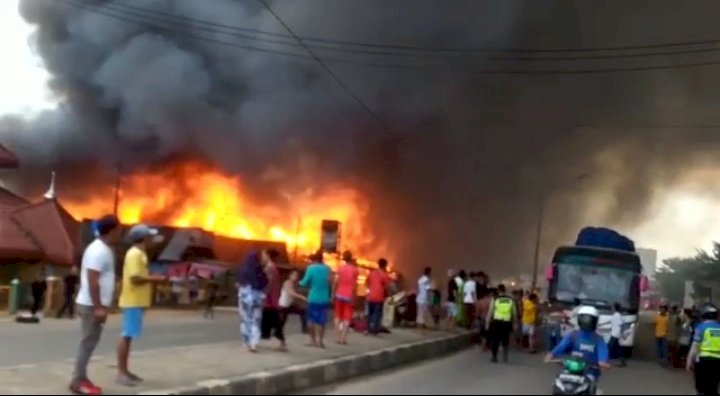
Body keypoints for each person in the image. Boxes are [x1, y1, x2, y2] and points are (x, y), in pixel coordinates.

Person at [69, 214, 121, 396]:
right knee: (87, 343)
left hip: (93, 304)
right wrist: (98, 306)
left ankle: (81, 377)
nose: (120, 233)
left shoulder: (102, 249)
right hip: (92, 306)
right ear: (112, 230)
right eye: (118, 230)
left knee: (89, 342)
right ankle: (78, 381)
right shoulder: (99, 250)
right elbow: (93, 279)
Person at [116, 224, 165, 387]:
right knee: (127, 335)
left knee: (129, 336)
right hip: (133, 301)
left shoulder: (139, 253)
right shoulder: (135, 254)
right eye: (150, 237)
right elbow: (135, 278)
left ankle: (125, 371)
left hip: (137, 301)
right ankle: (121, 373)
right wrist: (155, 278)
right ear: (144, 238)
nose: (152, 239)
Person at [544, 305, 611, 393]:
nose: (587, 321)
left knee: (590, 387)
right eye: (585, 318)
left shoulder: (593, 338)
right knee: (558, 383)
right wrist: (551, 354)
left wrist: (602, 362)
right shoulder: (576, 335)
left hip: (588, 371)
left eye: (588, 319)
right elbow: (561, 347)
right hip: (574, 369)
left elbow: (603, 355)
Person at [236, 251, 269, 353]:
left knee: (245, 320)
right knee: (255, 321)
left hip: (245, 298)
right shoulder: (260, 271)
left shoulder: (243, 270)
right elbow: (265, 284)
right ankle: (253, 344)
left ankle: (246, 344)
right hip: (257, 299)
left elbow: (239, 283)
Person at [299, 251, 332, 348]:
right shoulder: (327, 269)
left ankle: (312, 341)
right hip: (324, 298)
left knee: (311, 320)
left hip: (312, 298)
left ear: (314, 260)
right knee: (321, 321)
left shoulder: (311, 268)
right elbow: (330, 283)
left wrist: (299, 282)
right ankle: (320, 342)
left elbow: (304, 283)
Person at [686, 304, 720, 395]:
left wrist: (689, 361)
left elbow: (694, 346)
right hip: (717, 362)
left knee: (701, 388)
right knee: (713, 387)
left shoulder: (701, 327)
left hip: (703, 361)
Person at [260, 249, 286, 351]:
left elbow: (268, 284)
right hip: (272, 299)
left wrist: (263, 294)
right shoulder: (273, 267)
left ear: (268, 255)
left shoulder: (270, 268)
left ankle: (281, 342)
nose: (262, 257)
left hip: (269, 300)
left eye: (263, 255)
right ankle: (279, 341)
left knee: (274, 321)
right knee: (272, 321)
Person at [485, 284, 517, 363]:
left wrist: (487, 322)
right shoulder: (510, 299)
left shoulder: (495, 299)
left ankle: (494, 356)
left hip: (497, 322)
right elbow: (514, 312)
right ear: (505, 290)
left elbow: (490, 311)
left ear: (498, 290)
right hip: (507, 322)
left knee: (495, 339)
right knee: (505, 339)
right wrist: (515, 323)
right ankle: (505, 355)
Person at [333, 252, 359, 345]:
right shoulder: (355, 270)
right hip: (349, 296)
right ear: (351, 258)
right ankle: (343, 339)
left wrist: (333, 293)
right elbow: (355, 286)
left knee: (337, 316)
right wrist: (355, 297)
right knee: (347, 318)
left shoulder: (340, 268)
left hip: (339, 294)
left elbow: (336, 282)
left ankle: (337, 337)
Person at [366, 258, 391, 335]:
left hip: (370, 296)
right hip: (379, 296)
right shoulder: (384, 275)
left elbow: (367, 282)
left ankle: (369, 328)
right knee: (378, 313)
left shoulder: (372, 273)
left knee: (370, 313)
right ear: (385, 265)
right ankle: (375, 329)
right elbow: (387, 287)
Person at [608, 302, 627, 367]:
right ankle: (623, 361)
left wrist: (623, 334)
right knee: (618, 349)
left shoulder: (617, 315)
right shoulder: (617, 315)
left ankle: (605, 360)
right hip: (615, 334)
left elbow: (621, 325)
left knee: (609, 347)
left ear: (615, 308)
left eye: (612, 307)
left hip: (615, 335)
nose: (611, 308)